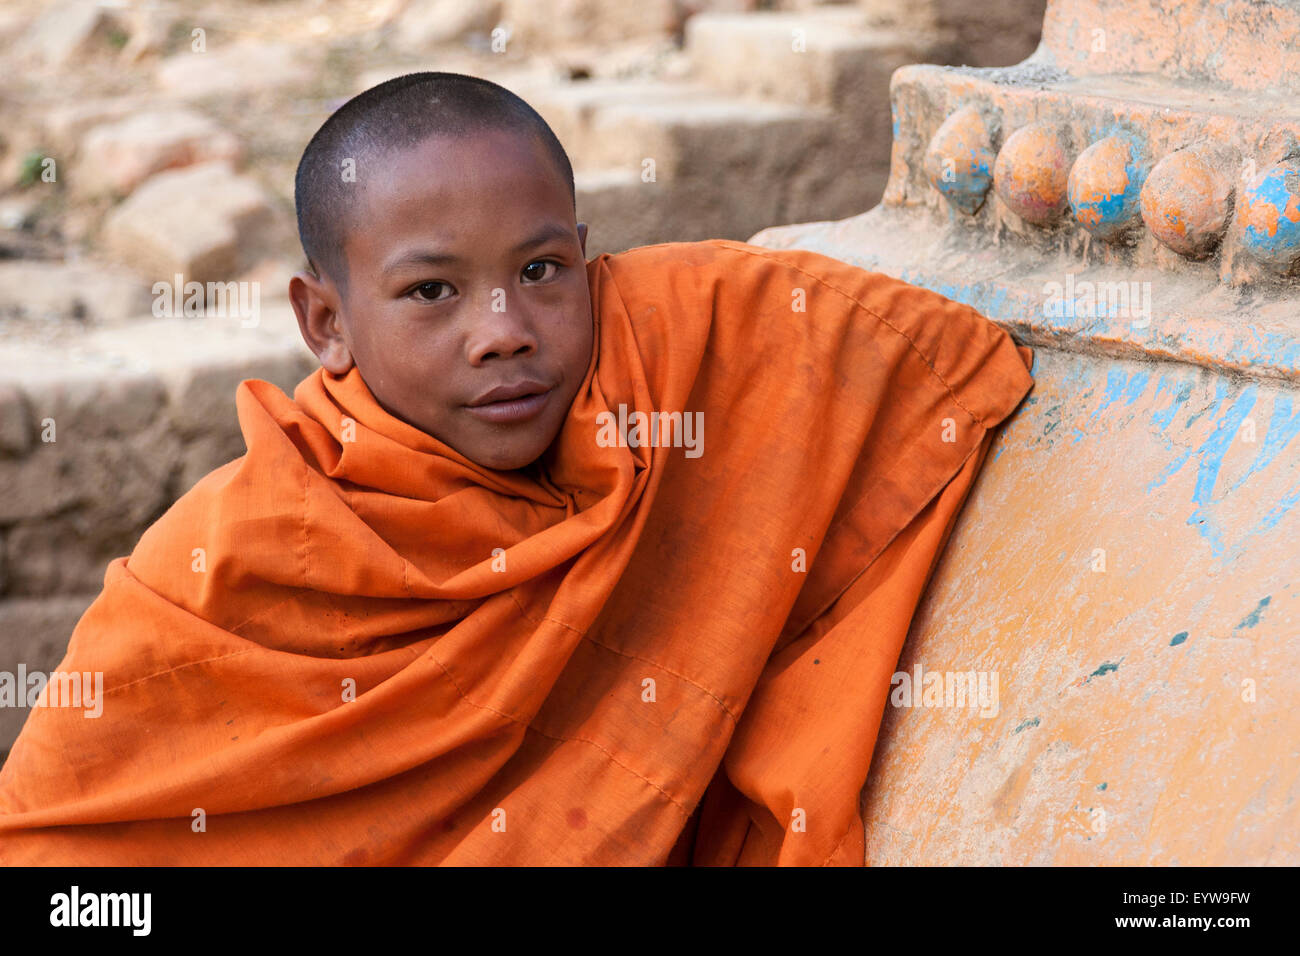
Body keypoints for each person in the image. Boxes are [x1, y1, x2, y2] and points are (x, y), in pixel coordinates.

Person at [0, 72, 1033, 865]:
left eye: (539, 273)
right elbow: (65, 846)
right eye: (431, 292)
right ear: (325, 322)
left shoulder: (661, 382)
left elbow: (924, 360)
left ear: (587, 266)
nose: (502, 332)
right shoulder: (226, 569)